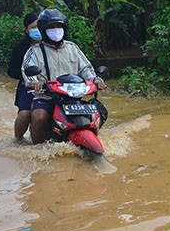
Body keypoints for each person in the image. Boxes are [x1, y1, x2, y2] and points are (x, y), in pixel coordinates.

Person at [21, 8, 106, 144]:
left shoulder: (72, 48)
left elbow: (86, 68)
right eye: (51, 27)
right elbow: (27, 69)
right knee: (39, 117)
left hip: (73, 97)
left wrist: (96, 80)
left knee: (96, 114)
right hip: (47, 97)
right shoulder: (35, 51)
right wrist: (34, 82)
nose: (56, 30)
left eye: (58, 26)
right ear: (44, 30)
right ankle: (38, 150)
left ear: (64, 28)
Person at [7, 12, 41, 141]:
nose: (36, 30)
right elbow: (11, 71)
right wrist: (28, 77)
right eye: (33, 27)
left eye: (39, 26)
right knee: (24, 115)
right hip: (27, 87)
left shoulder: (51, 46)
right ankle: (17, 139)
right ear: (26, 30)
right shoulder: (20, 49)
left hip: (51, 86)